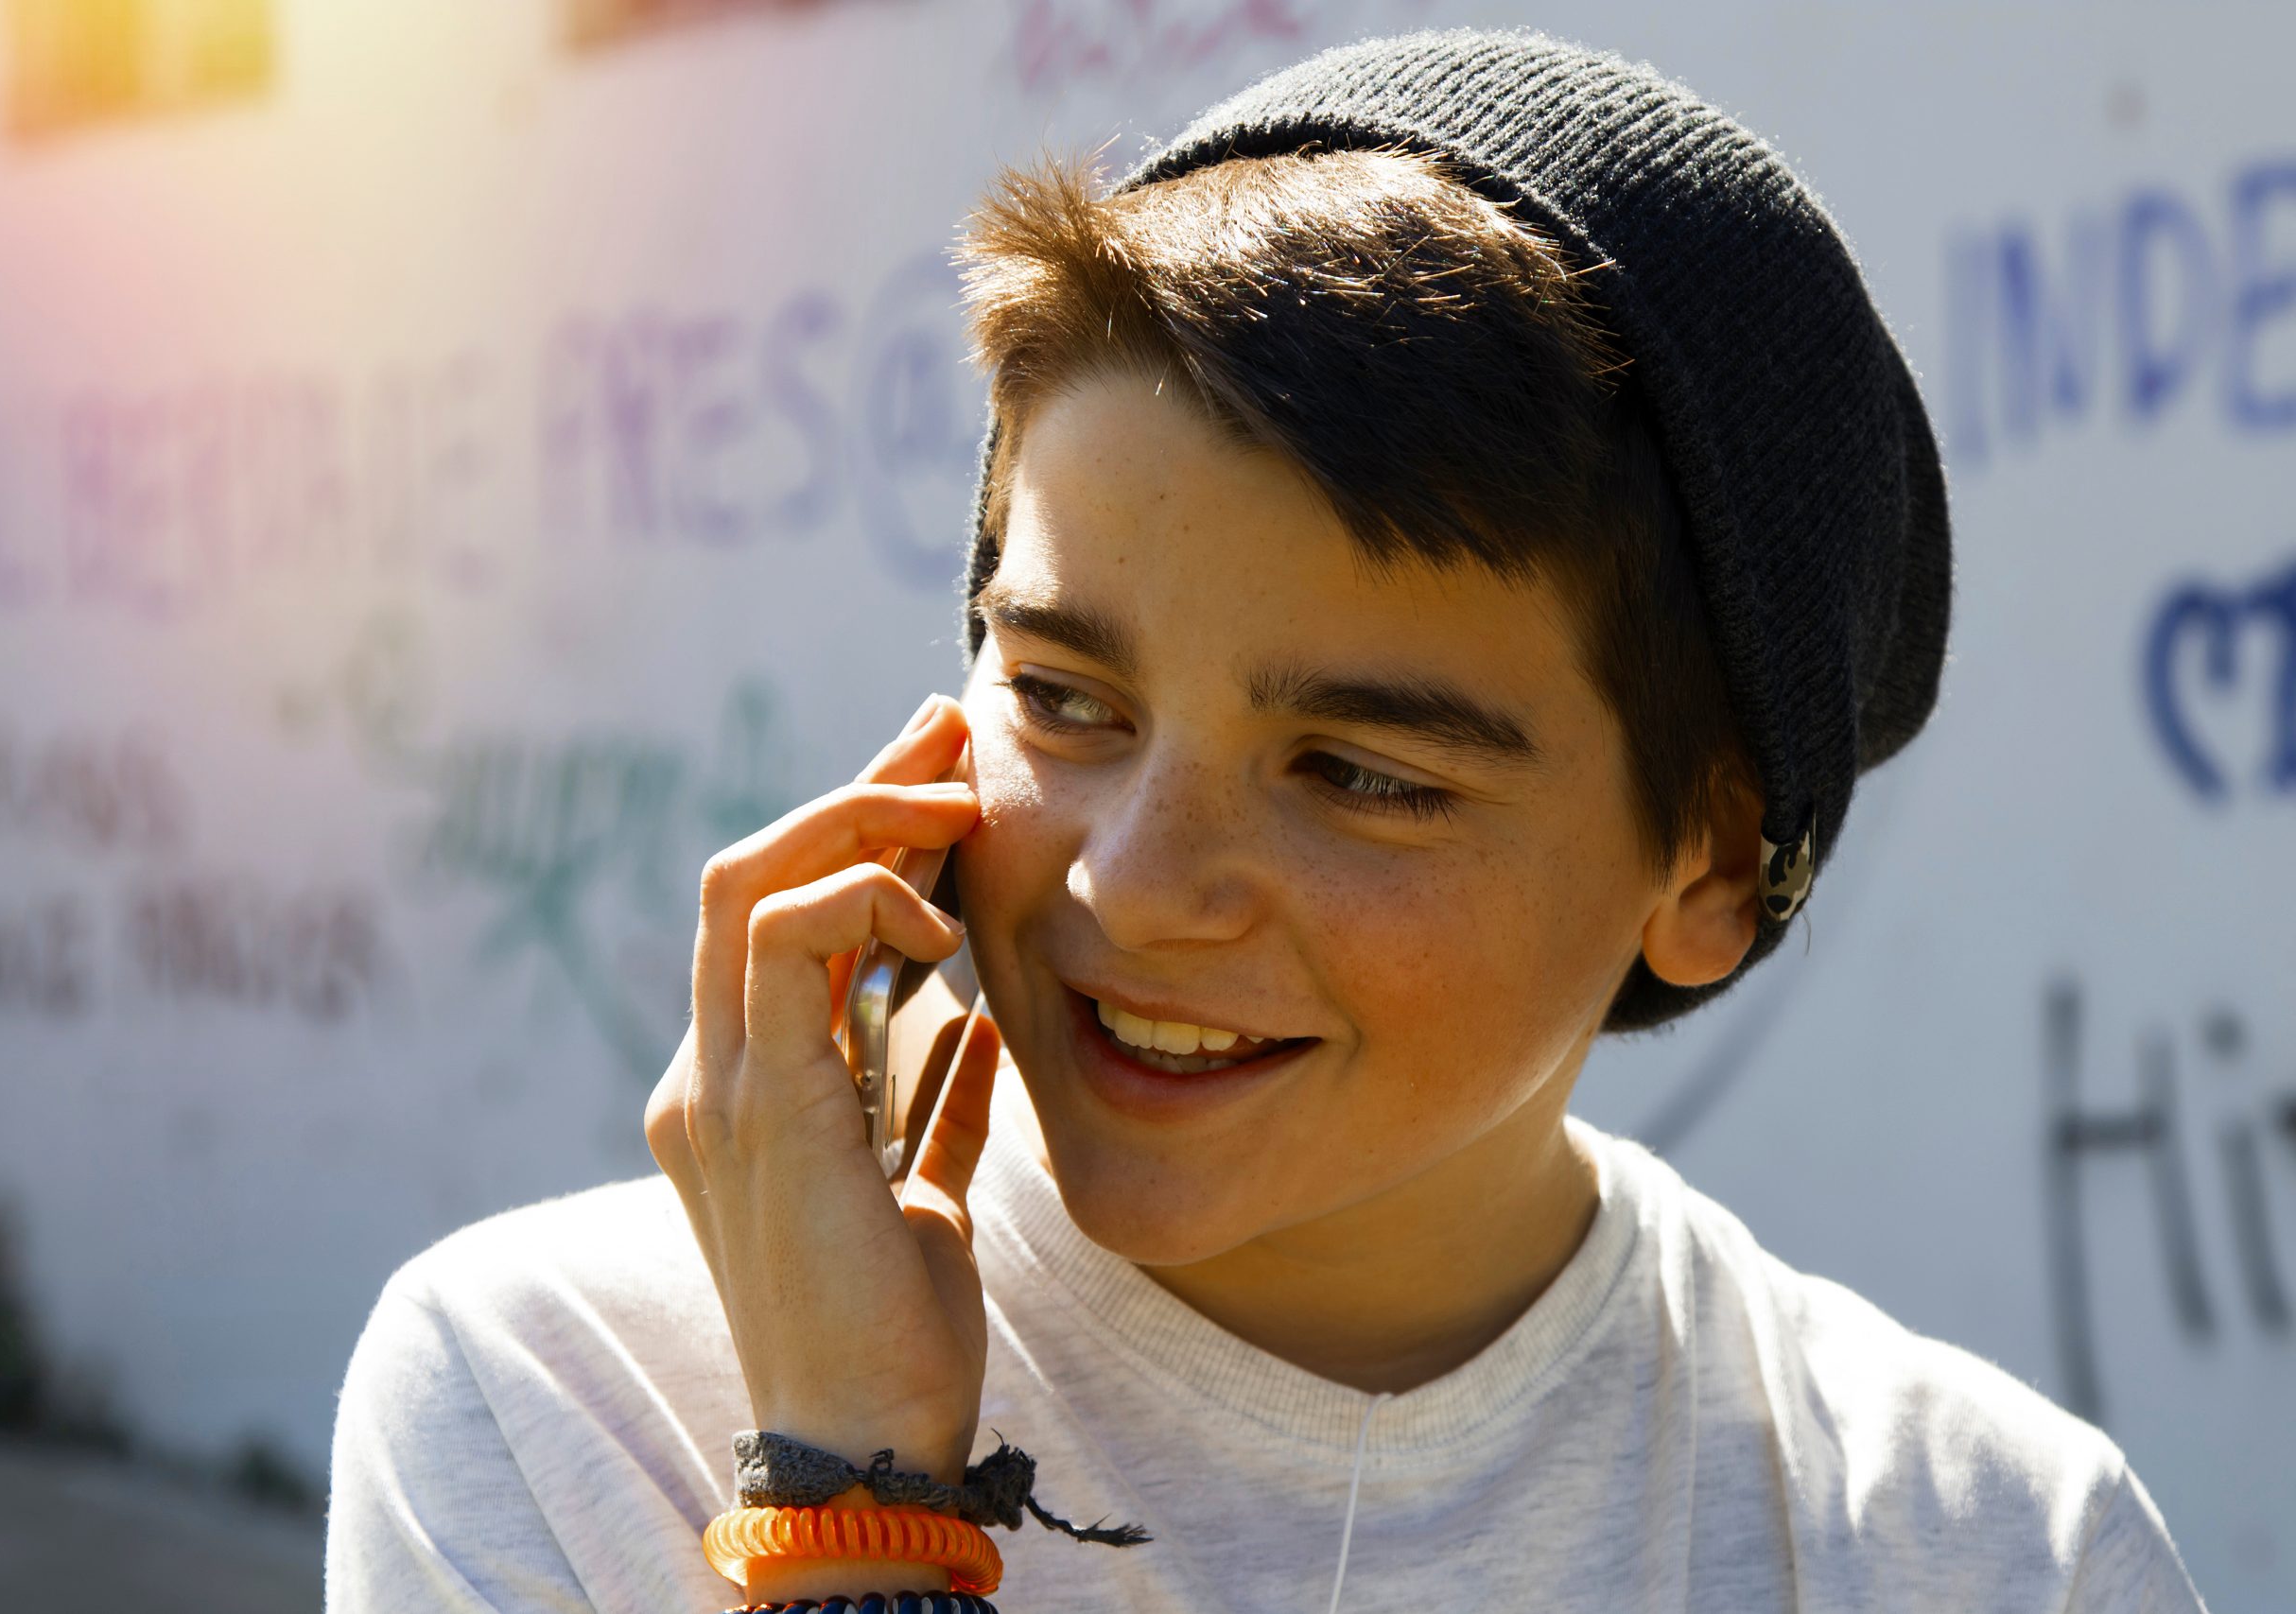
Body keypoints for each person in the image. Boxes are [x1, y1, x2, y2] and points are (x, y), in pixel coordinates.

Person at [324, 27, 2212, 1614]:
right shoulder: (565, 1397)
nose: (1129, 886)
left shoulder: (1979, 1547)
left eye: (1360, 771)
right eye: (1059, 697)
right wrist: (845, 1506)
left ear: (1709, 861)